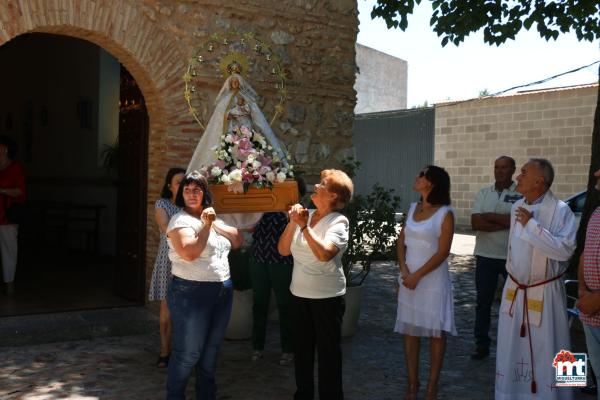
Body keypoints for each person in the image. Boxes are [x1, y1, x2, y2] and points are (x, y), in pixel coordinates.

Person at [495, 158, 576, 400]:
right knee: (511, 349)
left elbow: (564, 250)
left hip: (546, 291)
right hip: (516, 290)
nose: (517, 177)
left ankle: (564, 395)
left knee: (555, 346)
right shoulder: (517, 206)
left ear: (539, 181)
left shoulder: (562, 210)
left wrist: (532, 226)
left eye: (523, 173)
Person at [165, 171, 243, 400]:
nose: (191, 194)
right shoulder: (179, 221)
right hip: (190, 292)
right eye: (187, 190)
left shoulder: (212, 217)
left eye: (196, 190)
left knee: (210, 353)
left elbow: (237, 241)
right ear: (181, 194)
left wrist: (213, 223)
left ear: (204, 193)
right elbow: (189, 253)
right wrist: (207, 227)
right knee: (188, 353)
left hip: (221, 290)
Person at [277, 169, 353, 400]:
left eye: (322, 185)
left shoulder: (339, 221)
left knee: (328, 353)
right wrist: (293, 223)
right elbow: (282, 250)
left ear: (332, 195)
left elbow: (324, 254)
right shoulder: (305, 214)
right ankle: (304, 395)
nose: (315, 187)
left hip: (327, 297)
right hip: (299, 293)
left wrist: (304, 227)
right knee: (302, 351)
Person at [395, 165, 456, 400]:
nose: (416, 177)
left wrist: (417, 275)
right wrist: (404, 271)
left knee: (436, 334)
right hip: (409, 277)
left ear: (431, 182)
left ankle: (432, 386)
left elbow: (443, 252)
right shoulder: (412, 208)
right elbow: (401, 242)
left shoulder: (445, 214)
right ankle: (413, 383)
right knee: (410, 331)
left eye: (421, 175)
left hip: (431, 280)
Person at [470, 156, 522, 360]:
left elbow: (521, 221)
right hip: (485, 256)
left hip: (512, 257)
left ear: (513, 170)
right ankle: (481, 344)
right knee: (483, 303)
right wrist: (507, 222)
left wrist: (489, 216)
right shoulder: (484, 193)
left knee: (514, 305)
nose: (499, 171)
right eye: (496, 167)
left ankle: (514, 346)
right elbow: (475, 223)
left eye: (504, 168)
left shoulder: (521, 194)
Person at [148, 167, 186, 368]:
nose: (181, 185)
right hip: (168, 260)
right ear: (169, 186)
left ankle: (182, 352)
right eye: (178, 182)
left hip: (189, 260)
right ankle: (164, 351)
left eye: (184, 182)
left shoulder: (191, 206)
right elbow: (163, 225)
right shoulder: (162, 203)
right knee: (167, 310)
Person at [577, 167, 600, 400]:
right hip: (589, 310)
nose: (596, 175)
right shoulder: (596, 213)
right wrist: (583, 290)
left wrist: (597, 298)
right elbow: (585, 253)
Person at [0, 135, 25, 295]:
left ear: (5, 150)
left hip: (6, 216)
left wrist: (2, 190)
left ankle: (9, 283)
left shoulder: (15, 169)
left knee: (9, 250)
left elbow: (20, 191)